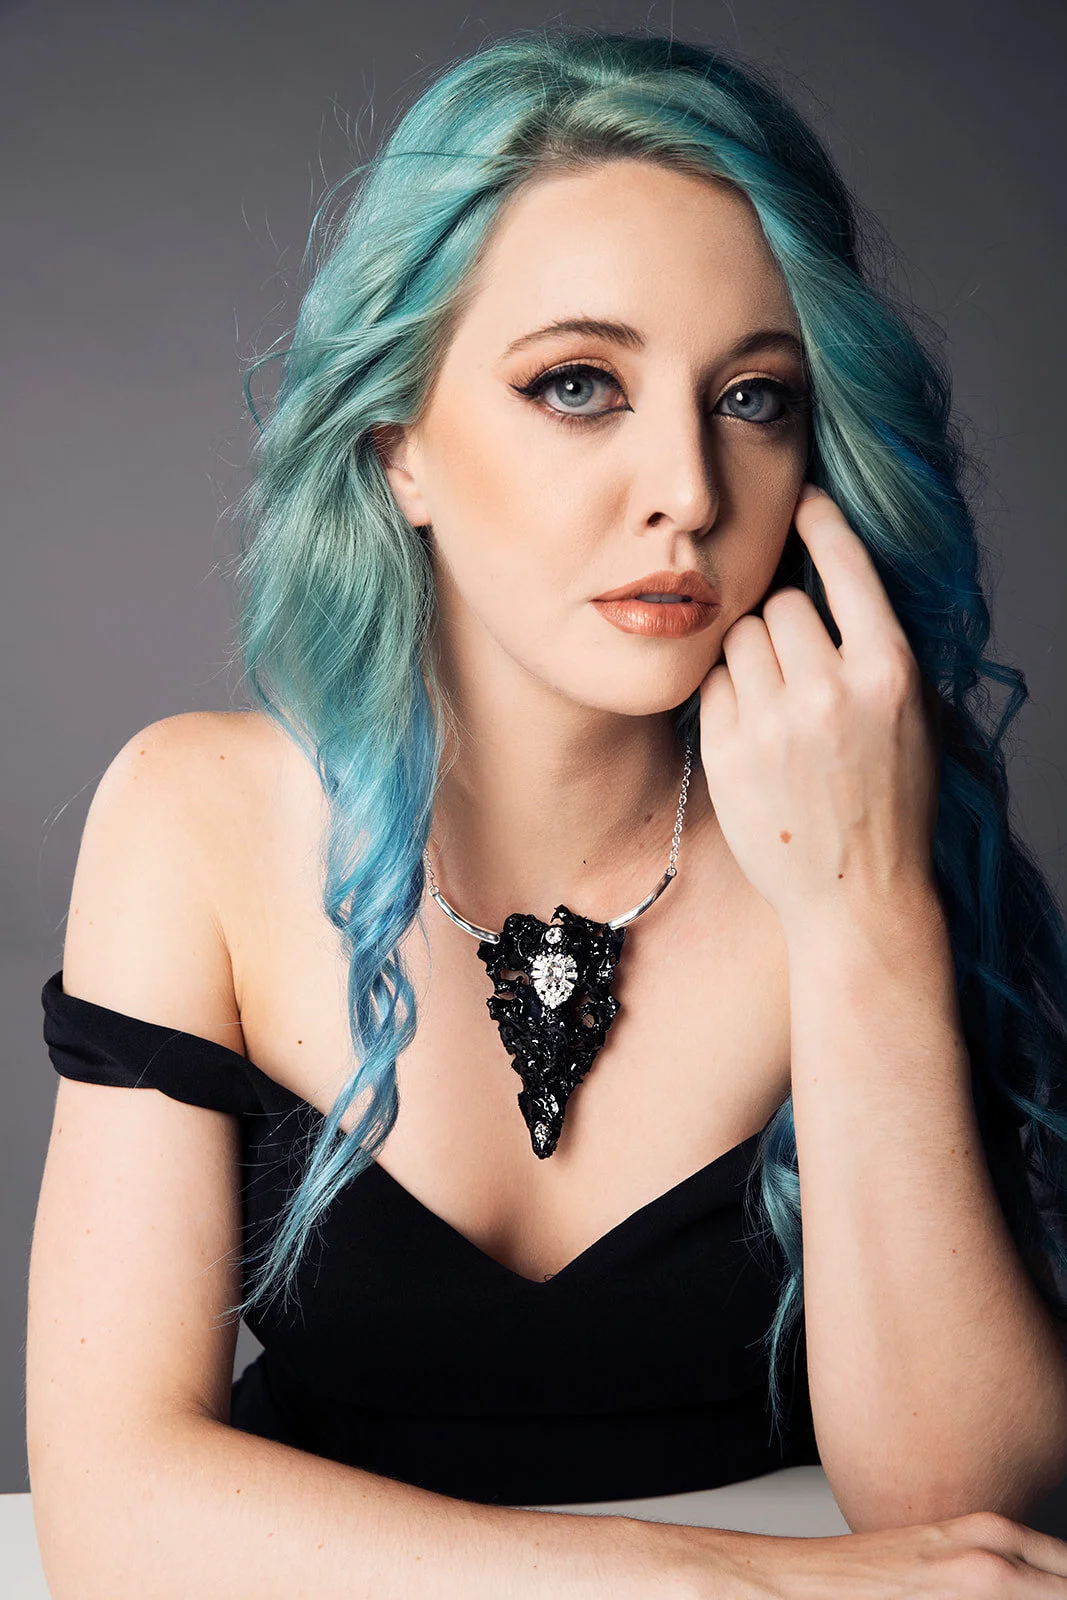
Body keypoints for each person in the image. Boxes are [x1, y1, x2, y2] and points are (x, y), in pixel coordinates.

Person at [26, 25, 1067, 1600]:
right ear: (399, 449)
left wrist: (862, 915)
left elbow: (959, 1518)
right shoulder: (198, 820)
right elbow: (112, 1515)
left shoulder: (862, 807)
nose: (688, 493)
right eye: (578, 385)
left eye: (754, 398)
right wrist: (733, 1584)